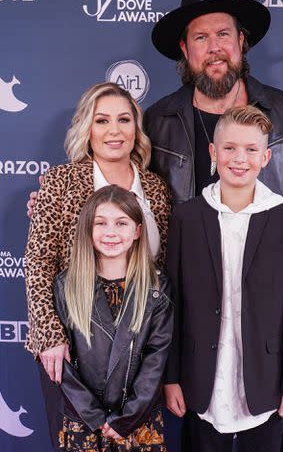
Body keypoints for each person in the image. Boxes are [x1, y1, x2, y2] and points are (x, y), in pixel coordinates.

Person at [25, 82, 171, 450]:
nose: (114, 130)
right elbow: (39, 261)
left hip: (136, 346)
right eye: (102, 120)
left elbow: (161, 264)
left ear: (136, 129)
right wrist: (50, 335)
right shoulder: (60, 182)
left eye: (124, 119)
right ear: (87, 128)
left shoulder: (155, 188)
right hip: (72, 345)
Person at [165, 105, 283, 452]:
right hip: (201, 379)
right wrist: (171, 377)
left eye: (250, 149)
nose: (239, 158)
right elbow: (173, 304)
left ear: (266, 157)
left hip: (266, 379)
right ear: (214, 153)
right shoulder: (187, 216)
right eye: (229, 148)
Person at [145, 0, 283, 243]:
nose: (215, 48)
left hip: (263, 264)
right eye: (201, 37)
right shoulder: (159, 119)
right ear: (185, 48)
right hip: (188, 270)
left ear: (240, 40)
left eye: (223, 34)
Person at [53, 185, 173, 451]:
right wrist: (93, 415)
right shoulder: (67, 285)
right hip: (83, 422)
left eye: (121, 223)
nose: (111, 232)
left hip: (137, 423)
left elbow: (157, 358)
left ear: (137, 231)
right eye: (101, 223)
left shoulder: (156, 288)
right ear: (87, 229)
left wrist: (129, 416)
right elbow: (62, 363)